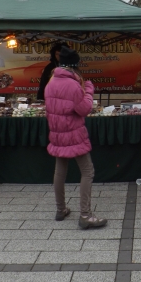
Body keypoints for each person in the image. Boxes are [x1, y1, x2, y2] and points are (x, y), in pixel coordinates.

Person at [45, 47, 107, 229]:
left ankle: (60, 209)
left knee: (60, 171)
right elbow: (84, 109)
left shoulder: (51, 82)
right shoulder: (73, 85)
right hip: (73, 133)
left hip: (57, 133)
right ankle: (86, 215)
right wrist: (89, 90)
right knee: (88, 171)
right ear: (74, 65)